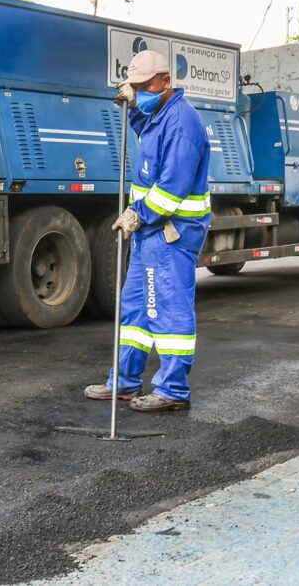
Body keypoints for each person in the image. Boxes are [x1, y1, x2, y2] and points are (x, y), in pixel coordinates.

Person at [84, 50, 212, 412]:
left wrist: (137, 214)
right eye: (134, 87)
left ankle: (172, 389)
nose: (139, 92)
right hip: (150, 232)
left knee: (166, 310)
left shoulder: (183, 124)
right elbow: (148, 133)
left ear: (165, 82)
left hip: (170, 231)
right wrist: (136, 109)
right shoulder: (159, 114)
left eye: (144, 87)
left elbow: (172, 188)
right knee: (136, 310)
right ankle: (124, 380)